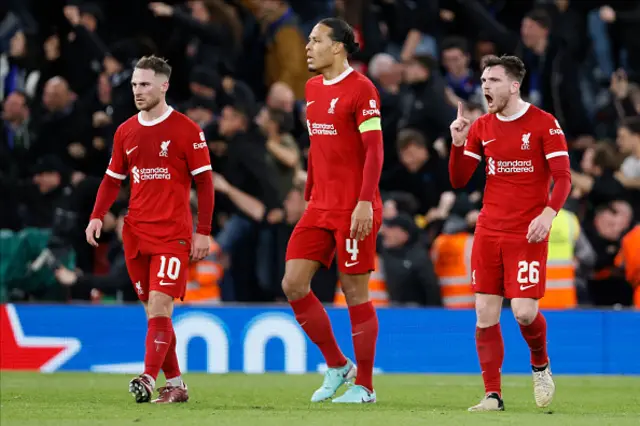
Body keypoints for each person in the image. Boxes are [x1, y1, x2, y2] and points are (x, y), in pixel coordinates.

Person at [85, 56, 215, 404]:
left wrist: (203, 231)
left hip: (173, 233)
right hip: (136, 232)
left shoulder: (188, 130)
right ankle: (175, 384)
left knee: (160, 306)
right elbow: (113, 180)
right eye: (134, 85)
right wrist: (97, 215)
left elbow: (205, 184)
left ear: (163, 85)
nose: (138, 91)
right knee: (154, 313)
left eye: (144, 84)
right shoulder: (126, 130)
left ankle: (147, 376)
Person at [448, 55, 572, 411]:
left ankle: (540, 364)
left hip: (527, 231)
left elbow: (563, 177)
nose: (485, 86)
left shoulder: (544, 124)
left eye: (494, 80)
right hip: (489, 228)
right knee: (484, 311)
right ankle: (492, 395)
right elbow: (459, 180)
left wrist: (548, 214)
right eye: (484, 80)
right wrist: (458, 144)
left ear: (514, 85)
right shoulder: (482, 127)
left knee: (524, 313)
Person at [282, 17, 384, 403]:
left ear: (339, 46)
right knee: (292, 283)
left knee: (354, 291)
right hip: (320, 205)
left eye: (315, 40)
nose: (308, 47)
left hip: (354, 205)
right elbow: (318, 146)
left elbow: (374, 150)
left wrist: (363, 202)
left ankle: (366, 387)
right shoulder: (310, 88)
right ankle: (339, 365)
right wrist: (309, 188)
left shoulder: (362, 90)